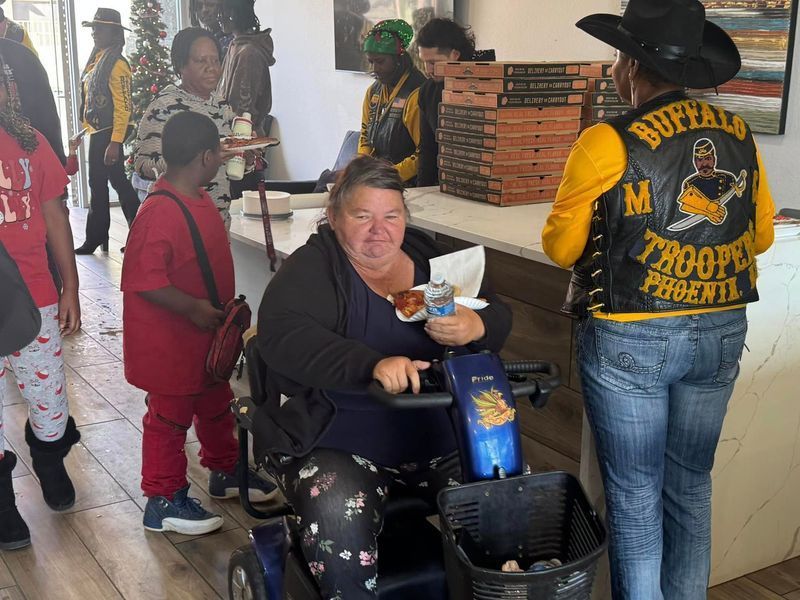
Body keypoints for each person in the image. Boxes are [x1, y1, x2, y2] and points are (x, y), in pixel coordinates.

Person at [541, 1, 776, 598]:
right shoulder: (739, 134)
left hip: (632, 332)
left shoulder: (605, 141)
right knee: (690, 486)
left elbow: (562, 249)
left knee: (635, 496)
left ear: (629, 67)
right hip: (721, 329)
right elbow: (762, 237)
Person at [253, 155, 512, 597]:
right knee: (336, 513)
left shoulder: (431, 259)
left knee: (507, 501)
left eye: (391, 216)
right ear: (335, 216)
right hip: (341, 441)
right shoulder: (312, 270)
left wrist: (478, 326)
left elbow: (496, 311)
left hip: (440, 435)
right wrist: (370, 364)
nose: (379, 230)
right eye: (362, 216)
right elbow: (282, 337)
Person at [121, 111, 276, 536]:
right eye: (218, 153)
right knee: (169, 418)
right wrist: (191, 308)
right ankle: (162, 498)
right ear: (206, 157)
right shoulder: (159, 210)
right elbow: (141, 278)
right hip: (170, 345)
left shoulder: (200, 197)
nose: (221, 159)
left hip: (204, 340)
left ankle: (224, 469)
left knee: (215, 403)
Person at [0, 51, 81, 550]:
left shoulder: (30, 142)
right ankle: (2, 501)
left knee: (49, 401)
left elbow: (54, 215)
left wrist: (70, 285)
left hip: (34, 295)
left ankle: (49, 459)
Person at [133, 27, 235, 229]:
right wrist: (198, 160)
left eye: (215, 60)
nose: (211, 68)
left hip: (218, 222)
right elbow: (143, 166)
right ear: (181, 65)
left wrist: (245, 154)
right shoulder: (164, 105)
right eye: (201, 61)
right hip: (178, 225)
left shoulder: (222, 105)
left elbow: (230, 165)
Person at [75, 8, 140, 255]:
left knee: (106, 183)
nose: (94, 32)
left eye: (99, 28)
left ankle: (101, 236)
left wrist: (115, 142)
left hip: (109, 133)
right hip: (98, 131)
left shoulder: (118, 64)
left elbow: (124, 107)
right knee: (111, 182)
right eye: (93, 28)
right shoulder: (98, 59)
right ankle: (111, 234)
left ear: (113, 33)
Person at [217, 0, 275, 198]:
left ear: (238, 13)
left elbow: (243, 109)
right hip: (230, 143)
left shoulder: (248, 53)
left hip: (243, 148)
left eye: (225, 11)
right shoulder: (235, 45)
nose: (220, 17)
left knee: (240, 208)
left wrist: (238, 147)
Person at [358, 19, 425, 186]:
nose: (374, 69)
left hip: (407, 183)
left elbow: (424, 152)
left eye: (380, 62)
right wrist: (362, 166)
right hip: (378, 179)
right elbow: (365, 135)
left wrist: (391, 175)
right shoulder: (373, 91)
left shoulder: (416, 94)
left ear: (398, 59)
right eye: (371, 62)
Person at [416, 18, 476, 186]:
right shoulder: (427, 91)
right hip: (442, 184)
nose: (428, 70)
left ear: (455, 55)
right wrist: (423, 191)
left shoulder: (482, 88)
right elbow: (427, 149)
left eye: (433, 62)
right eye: (424, 62)